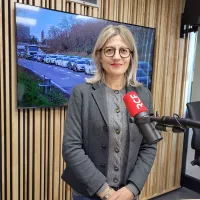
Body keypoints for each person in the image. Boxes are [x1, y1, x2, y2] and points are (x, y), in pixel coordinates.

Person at [62, 25, 157, 200]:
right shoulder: (82, 93)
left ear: (131, 56)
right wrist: (103, 190)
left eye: (123, 51)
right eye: (109, 50)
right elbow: (71, 147)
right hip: (88, 193)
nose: (116, 56)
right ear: (99, 55)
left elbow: (149, 145)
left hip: (127, 194)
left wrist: (134, 187)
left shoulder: (143, 95)